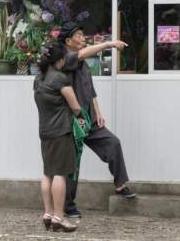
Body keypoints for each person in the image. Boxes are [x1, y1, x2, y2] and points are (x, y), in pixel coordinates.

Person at [58, 22, 136, 218]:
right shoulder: (65, 58)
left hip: (89, 119)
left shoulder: (84, 66)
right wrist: (108, 44)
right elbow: (82, 54)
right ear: (68, 41)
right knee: (72, 164)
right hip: (72, 121)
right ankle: (67, 205)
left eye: (84, 34)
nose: (83, 38)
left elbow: (90, 91)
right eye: (79, 35)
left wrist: (98, 112)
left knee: (112, 143)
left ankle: (120, 185)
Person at [33, 43, 84, 232]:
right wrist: (80, 119)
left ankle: (48, 213)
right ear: (60, 60)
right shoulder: (60, 79)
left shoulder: (39, 79)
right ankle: (59, 217)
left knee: (48, 172)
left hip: (45, 131)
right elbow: (76, 107)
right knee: (60, 174)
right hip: (61, 131)